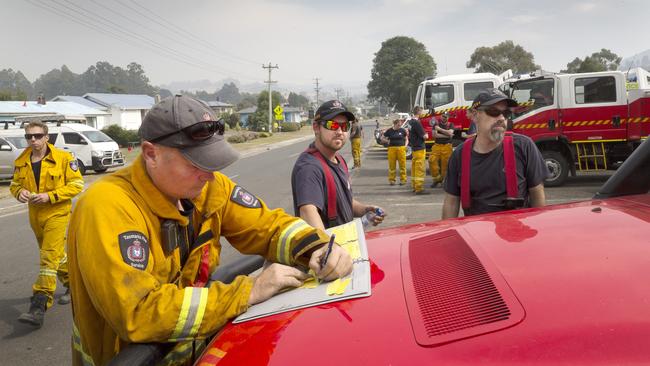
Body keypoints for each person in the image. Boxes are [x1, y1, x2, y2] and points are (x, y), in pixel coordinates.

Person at [67, 95, 353, 365]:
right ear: (151, 154)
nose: (209, 174)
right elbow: (139, 313)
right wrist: (248, 291)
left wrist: (316, 247)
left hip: (193, 350)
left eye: (213, 162)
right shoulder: (107, 205)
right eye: (196, 163)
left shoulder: (208, 187)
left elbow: (268, 226)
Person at [10, 121, 84, 328]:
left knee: (48, 255)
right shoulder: (21, 160)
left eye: (37, 136)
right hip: (35, 216)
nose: (33, 140)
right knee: (54, 254)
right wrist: (20, 193)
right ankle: (74, 284)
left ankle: (39, 303)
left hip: (57, 213)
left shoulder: (64, 158)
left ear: (46, 137)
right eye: (29, 137)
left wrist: (50, 196)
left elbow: (77, 184)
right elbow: (15, 184)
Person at [442, 88, 548, 219]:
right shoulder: (459, 155)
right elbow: (451, 202)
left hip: (517, 233)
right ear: (475, 115)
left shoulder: (524, 146)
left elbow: (537, 194)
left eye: (506, 113)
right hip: (477, 233)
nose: (502, 118)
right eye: (493, 112)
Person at [291, 100, 385, 230]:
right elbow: (308, 212)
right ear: (316, 128)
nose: (340, 131)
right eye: (332, 125)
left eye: (345, 126)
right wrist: (328, 247)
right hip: (328, 247)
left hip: (343, 243)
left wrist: (364, 210)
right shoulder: (309, 167)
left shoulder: (339, 160)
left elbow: (343, 202)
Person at [429, 111, 455, 188]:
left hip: (447, 146)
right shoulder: (436, 124)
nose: (444, 118)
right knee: (431, 160)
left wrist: (439, 129)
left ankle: (444, 181)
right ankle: (436, 179)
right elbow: (434, 135)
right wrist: (447, 135)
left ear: (448, 117)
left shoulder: (451, 124)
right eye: (443, 116)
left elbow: (451, 133)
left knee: (446, 165)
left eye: (445, 116)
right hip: (437, 146)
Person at [407, 106, 428, 194]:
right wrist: (426, 135)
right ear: (419, 112)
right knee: (420, 168)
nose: (422, 113)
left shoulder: (410, 122)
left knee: (414, 168)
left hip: (414, 148)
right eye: (422, 112)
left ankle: (415, 186)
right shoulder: (417, 123)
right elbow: (424, 136)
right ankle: (419, 188)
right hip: (420, 148)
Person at [383, 119, 408, 186]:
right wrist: (387, 141)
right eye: (398, 125)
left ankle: (403, 180)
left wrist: (405, 146)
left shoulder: (402, 130)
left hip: (401, 149)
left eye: (400, 125)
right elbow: (382, 138)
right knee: (392, 165)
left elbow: (406, 139)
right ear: (395, 124)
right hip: (392, 149)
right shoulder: (389, 131)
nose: (399, 126)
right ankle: (392, 180)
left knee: (402, 165)